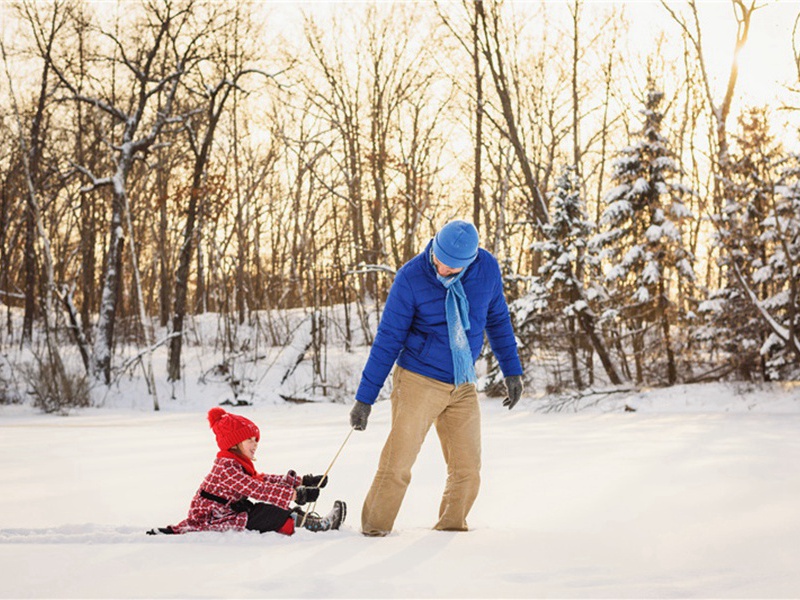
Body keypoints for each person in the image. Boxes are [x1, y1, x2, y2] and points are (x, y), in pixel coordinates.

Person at [349, 219, 524, 536]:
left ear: (470, 262)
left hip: (463, 380)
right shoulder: (411, 277)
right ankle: (373, 532)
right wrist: (365, 398)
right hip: (418, 379)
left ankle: (451, 530)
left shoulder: (487, 270)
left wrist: (512, 369)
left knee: (467, 468)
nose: (442, 270)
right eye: (439, 261)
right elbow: (388, 340)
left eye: (452, 268)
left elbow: (497, 319)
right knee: (398, 464)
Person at [147, 407, 345, 536]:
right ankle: (309, 528)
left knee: (269, 509)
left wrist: (301, 481)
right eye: (250, 440)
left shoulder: (236, 464)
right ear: (234, 443)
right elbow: (256, 488)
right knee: (265, 512)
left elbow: (262, 479)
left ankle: (311, 521)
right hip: (211, 517)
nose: (255, 444)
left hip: (226, 511)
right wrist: (295, 494)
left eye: (256, 440)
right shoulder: (226, 468)